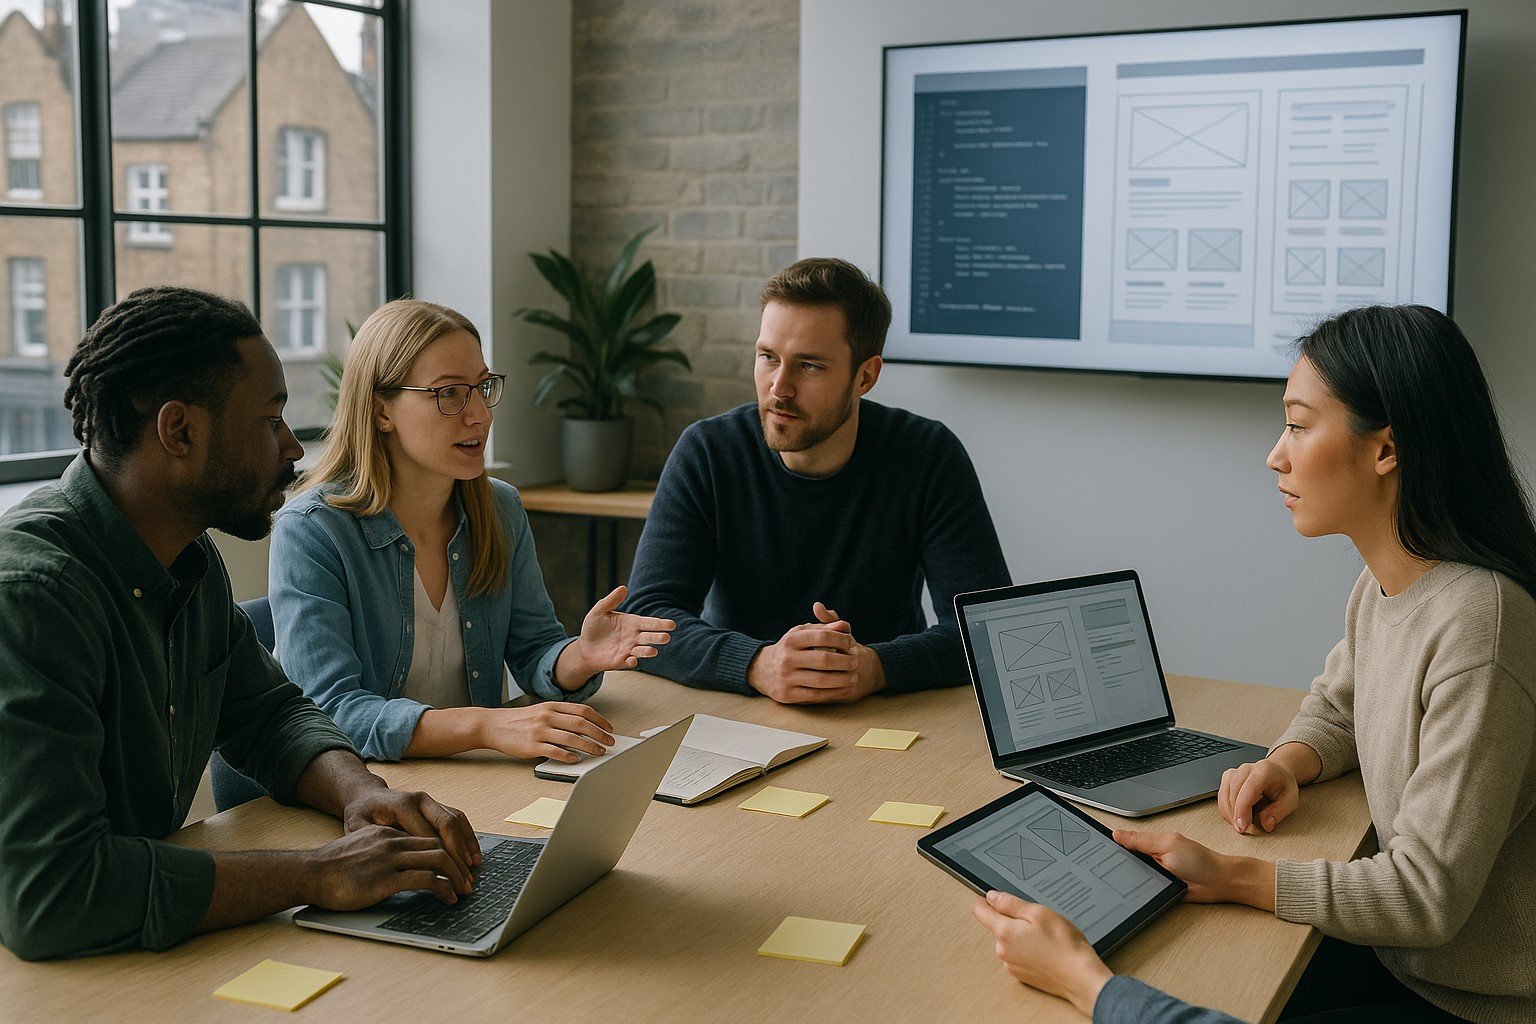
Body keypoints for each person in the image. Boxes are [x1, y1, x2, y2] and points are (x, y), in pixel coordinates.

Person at [973, 305, 1535, 1023]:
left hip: (1472, 1002)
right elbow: (1339, 706)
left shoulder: (1479, 622)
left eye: (1299, 425)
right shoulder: (1388, 584)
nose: (1277, 454)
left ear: (1385, 449)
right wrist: (1289, 761)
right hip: (1404, 962)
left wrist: (1233, 875)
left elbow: (1425, 898)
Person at [0, 287, 482, 962]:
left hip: (138, 955)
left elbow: (269, 715)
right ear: (180, 431)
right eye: (271, 420)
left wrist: (364, 794)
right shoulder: (31, 597)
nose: (291, 447)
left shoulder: (185, 553)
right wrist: (317, 873)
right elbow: (50, 894)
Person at [268, 300, 671, 764]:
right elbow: (330, 712)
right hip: (365, 795)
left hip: (474, 782)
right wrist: (485, 725)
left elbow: (534, 649)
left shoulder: (499, 508)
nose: (479, 414)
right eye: (449, 394)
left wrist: (581, 655)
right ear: (382, 411)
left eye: (482, 387)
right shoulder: (312, 532)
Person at [623, 257, 1010, 703]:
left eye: (808, 366)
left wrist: (876, 667)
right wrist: (757, 663)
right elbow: (646, 617)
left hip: (889, 711)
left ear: (865, 375)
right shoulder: (709, 452)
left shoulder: (927, 455)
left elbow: (989, 629)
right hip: (735, 706)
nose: (778, 387)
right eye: (768, 357)